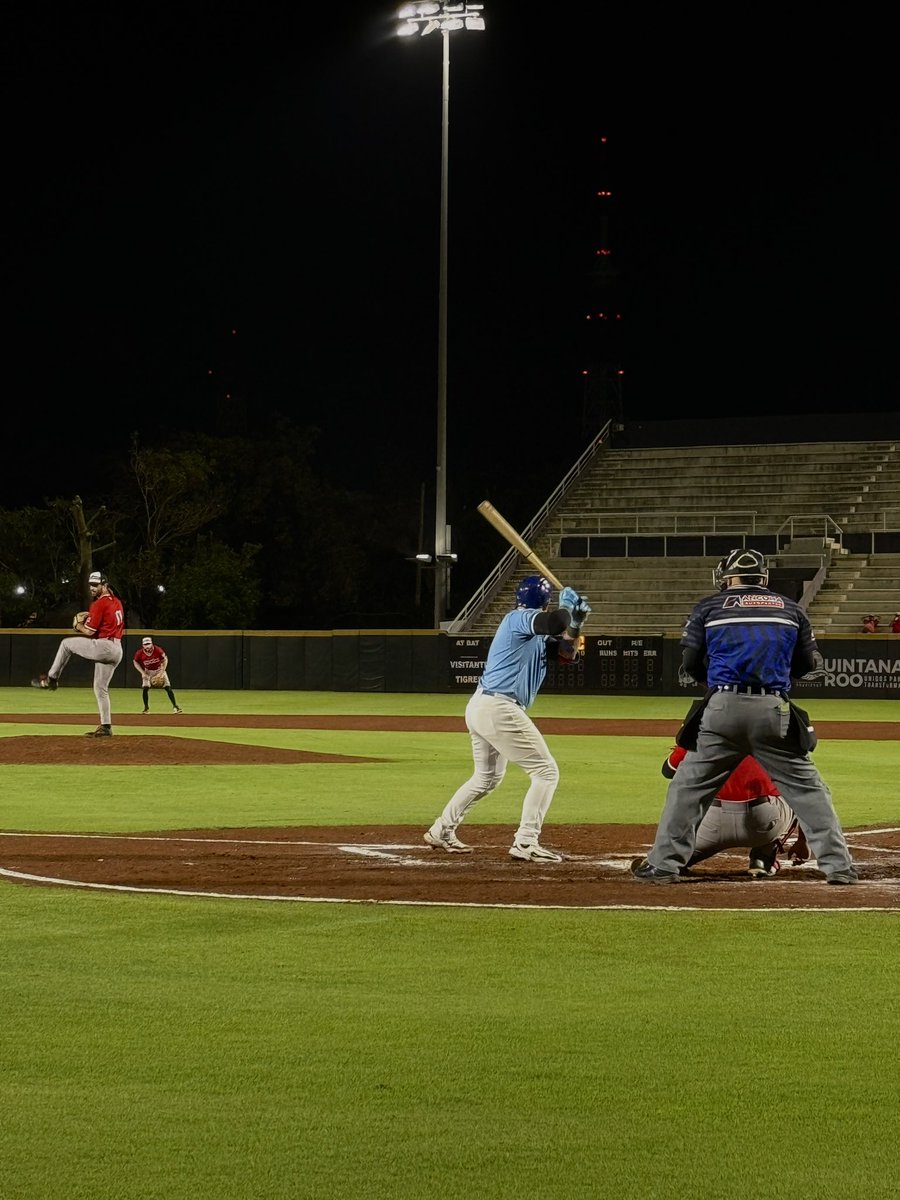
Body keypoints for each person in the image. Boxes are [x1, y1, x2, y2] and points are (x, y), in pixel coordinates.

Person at [631, 548, 857, 885]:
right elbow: (808, 664)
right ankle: (839, 867)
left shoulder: (709, 607)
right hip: (772, 709)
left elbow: (690, 663)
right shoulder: (791, 609)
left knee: (687, 790)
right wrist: (775, 677)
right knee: (809, 791)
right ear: (763, 576)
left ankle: (663, 865)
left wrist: (717, 684)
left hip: (722, 708)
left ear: (727, 576)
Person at [424, 575, 591, 862]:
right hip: (499, 706)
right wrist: (565, 610)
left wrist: (575, 625)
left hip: (484, 706)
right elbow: (554, 623)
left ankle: (441, 830)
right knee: (546, 772)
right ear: (545, 602)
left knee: (486, 778)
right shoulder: (518, 619)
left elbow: (568, 655)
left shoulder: (534, 632)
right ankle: (526, 841)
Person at [662, 745, 808, 877]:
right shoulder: (776, 734)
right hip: (763, 824)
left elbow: (668, 771)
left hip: (711, 825)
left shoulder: (704, 732)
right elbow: (803, 790)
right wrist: (803, 840)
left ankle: (670, 861)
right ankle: (763, 858)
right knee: (791, 792)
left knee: (670, 861)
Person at [30, 570, 125, 737]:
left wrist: (78, 626)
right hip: (117, 649)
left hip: (104, 646)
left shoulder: (99, 604)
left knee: (66, 644)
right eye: (91, 585)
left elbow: (89, 631)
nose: (92, 588)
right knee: (100, 688)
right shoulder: (116, 602)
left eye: (96, 585)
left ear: (104, 585)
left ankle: (52, 679)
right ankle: (106, 726)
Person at [133, 636, 183, 714]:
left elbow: (165, 660)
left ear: (152, 643)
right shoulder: (139, 653)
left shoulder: (158, 650)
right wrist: (142, 673)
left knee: (168, 687)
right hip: (148, 671)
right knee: (145, 688)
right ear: (143, 645)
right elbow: (135, 662)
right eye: (145, 644)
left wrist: (161, 673)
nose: (147, 646)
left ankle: (175, 706)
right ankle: (146, 708)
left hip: (159, 669)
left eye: (148, 644)